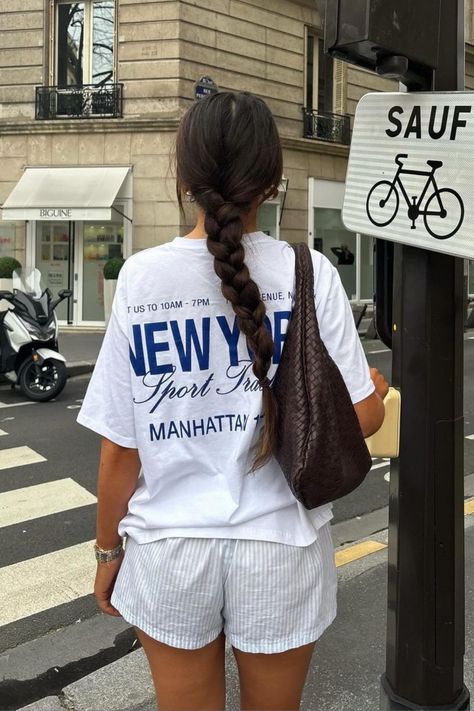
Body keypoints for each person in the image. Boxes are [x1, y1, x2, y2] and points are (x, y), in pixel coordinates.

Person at [77, 91, 389, 711]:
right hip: (280, 548)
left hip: (170, 552)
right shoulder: (310, 271)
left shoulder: (142, 277)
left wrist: (109, 552)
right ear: (270, 181)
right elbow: (360, 417)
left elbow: (121, 450)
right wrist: (373, 393)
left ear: (185, 176)